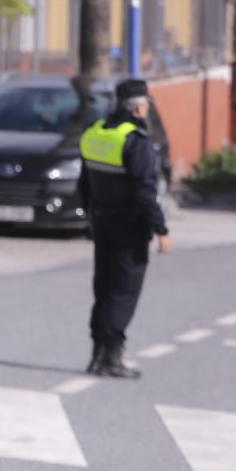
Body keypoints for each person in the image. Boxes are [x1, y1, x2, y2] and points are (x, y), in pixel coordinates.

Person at [78, 77, 171, 379]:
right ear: (139, 107)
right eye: (145, 104)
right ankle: (113, 358)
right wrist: (161, 229)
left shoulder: (93, 134)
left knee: (103, 288)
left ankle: (97, 354)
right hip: (130, 228)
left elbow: (84, 185)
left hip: (102, 223)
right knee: (123, 292)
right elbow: (146, 192)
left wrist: (90, 217)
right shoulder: (136, 141)